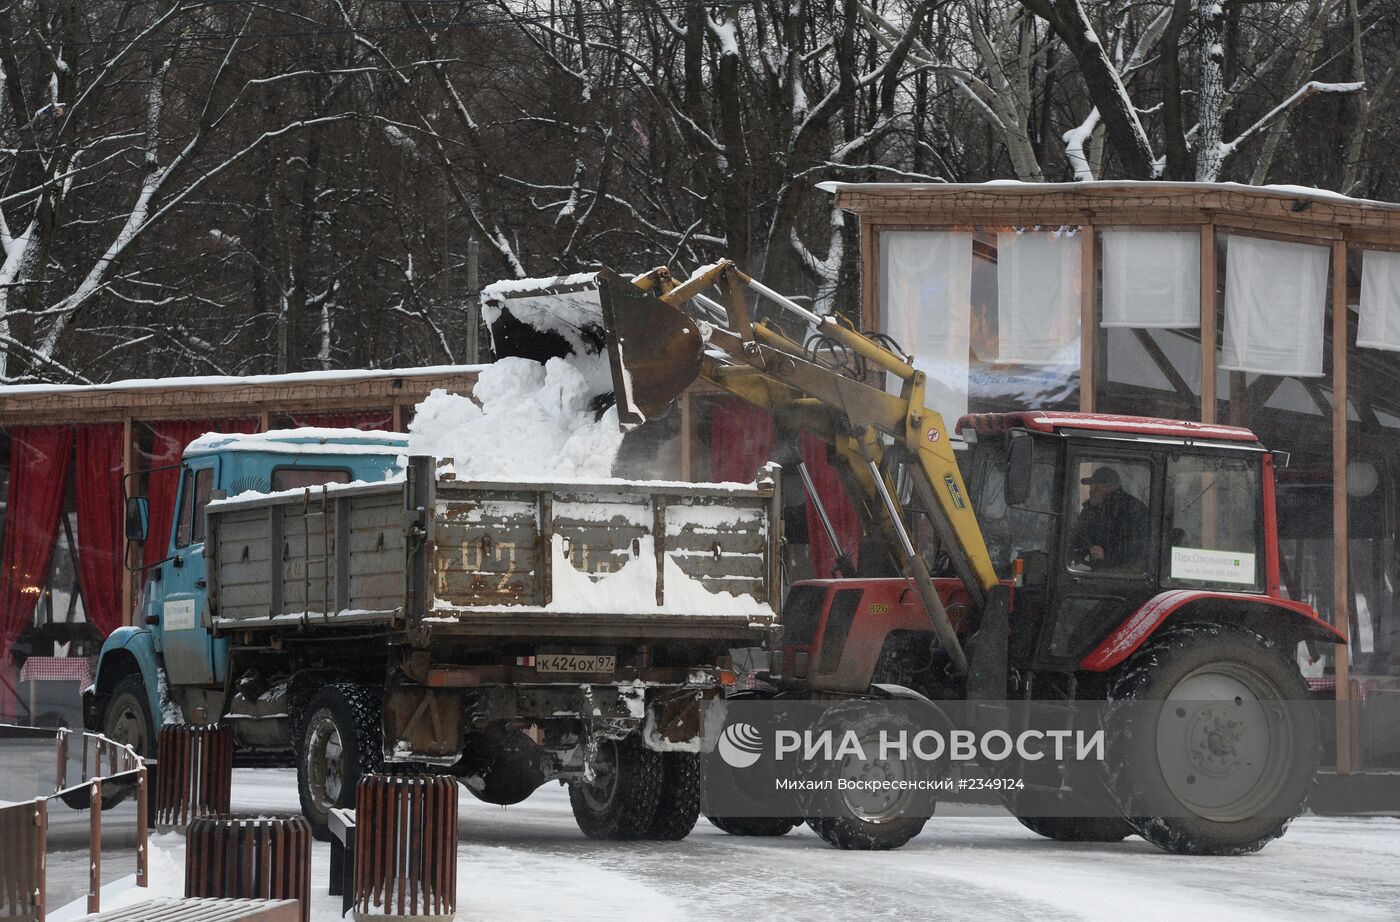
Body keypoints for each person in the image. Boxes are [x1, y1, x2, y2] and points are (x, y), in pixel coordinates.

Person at [1071, 466, 1149, 571]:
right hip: (1099, 571)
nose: (1091, 492)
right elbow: (1080, 535)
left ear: (1111, 487)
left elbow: (1141, 546)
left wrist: (1106, 554)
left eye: (1097, 488)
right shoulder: (1093, 508)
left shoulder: (1131, 509)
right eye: (1091, 488)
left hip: (1125, 575)